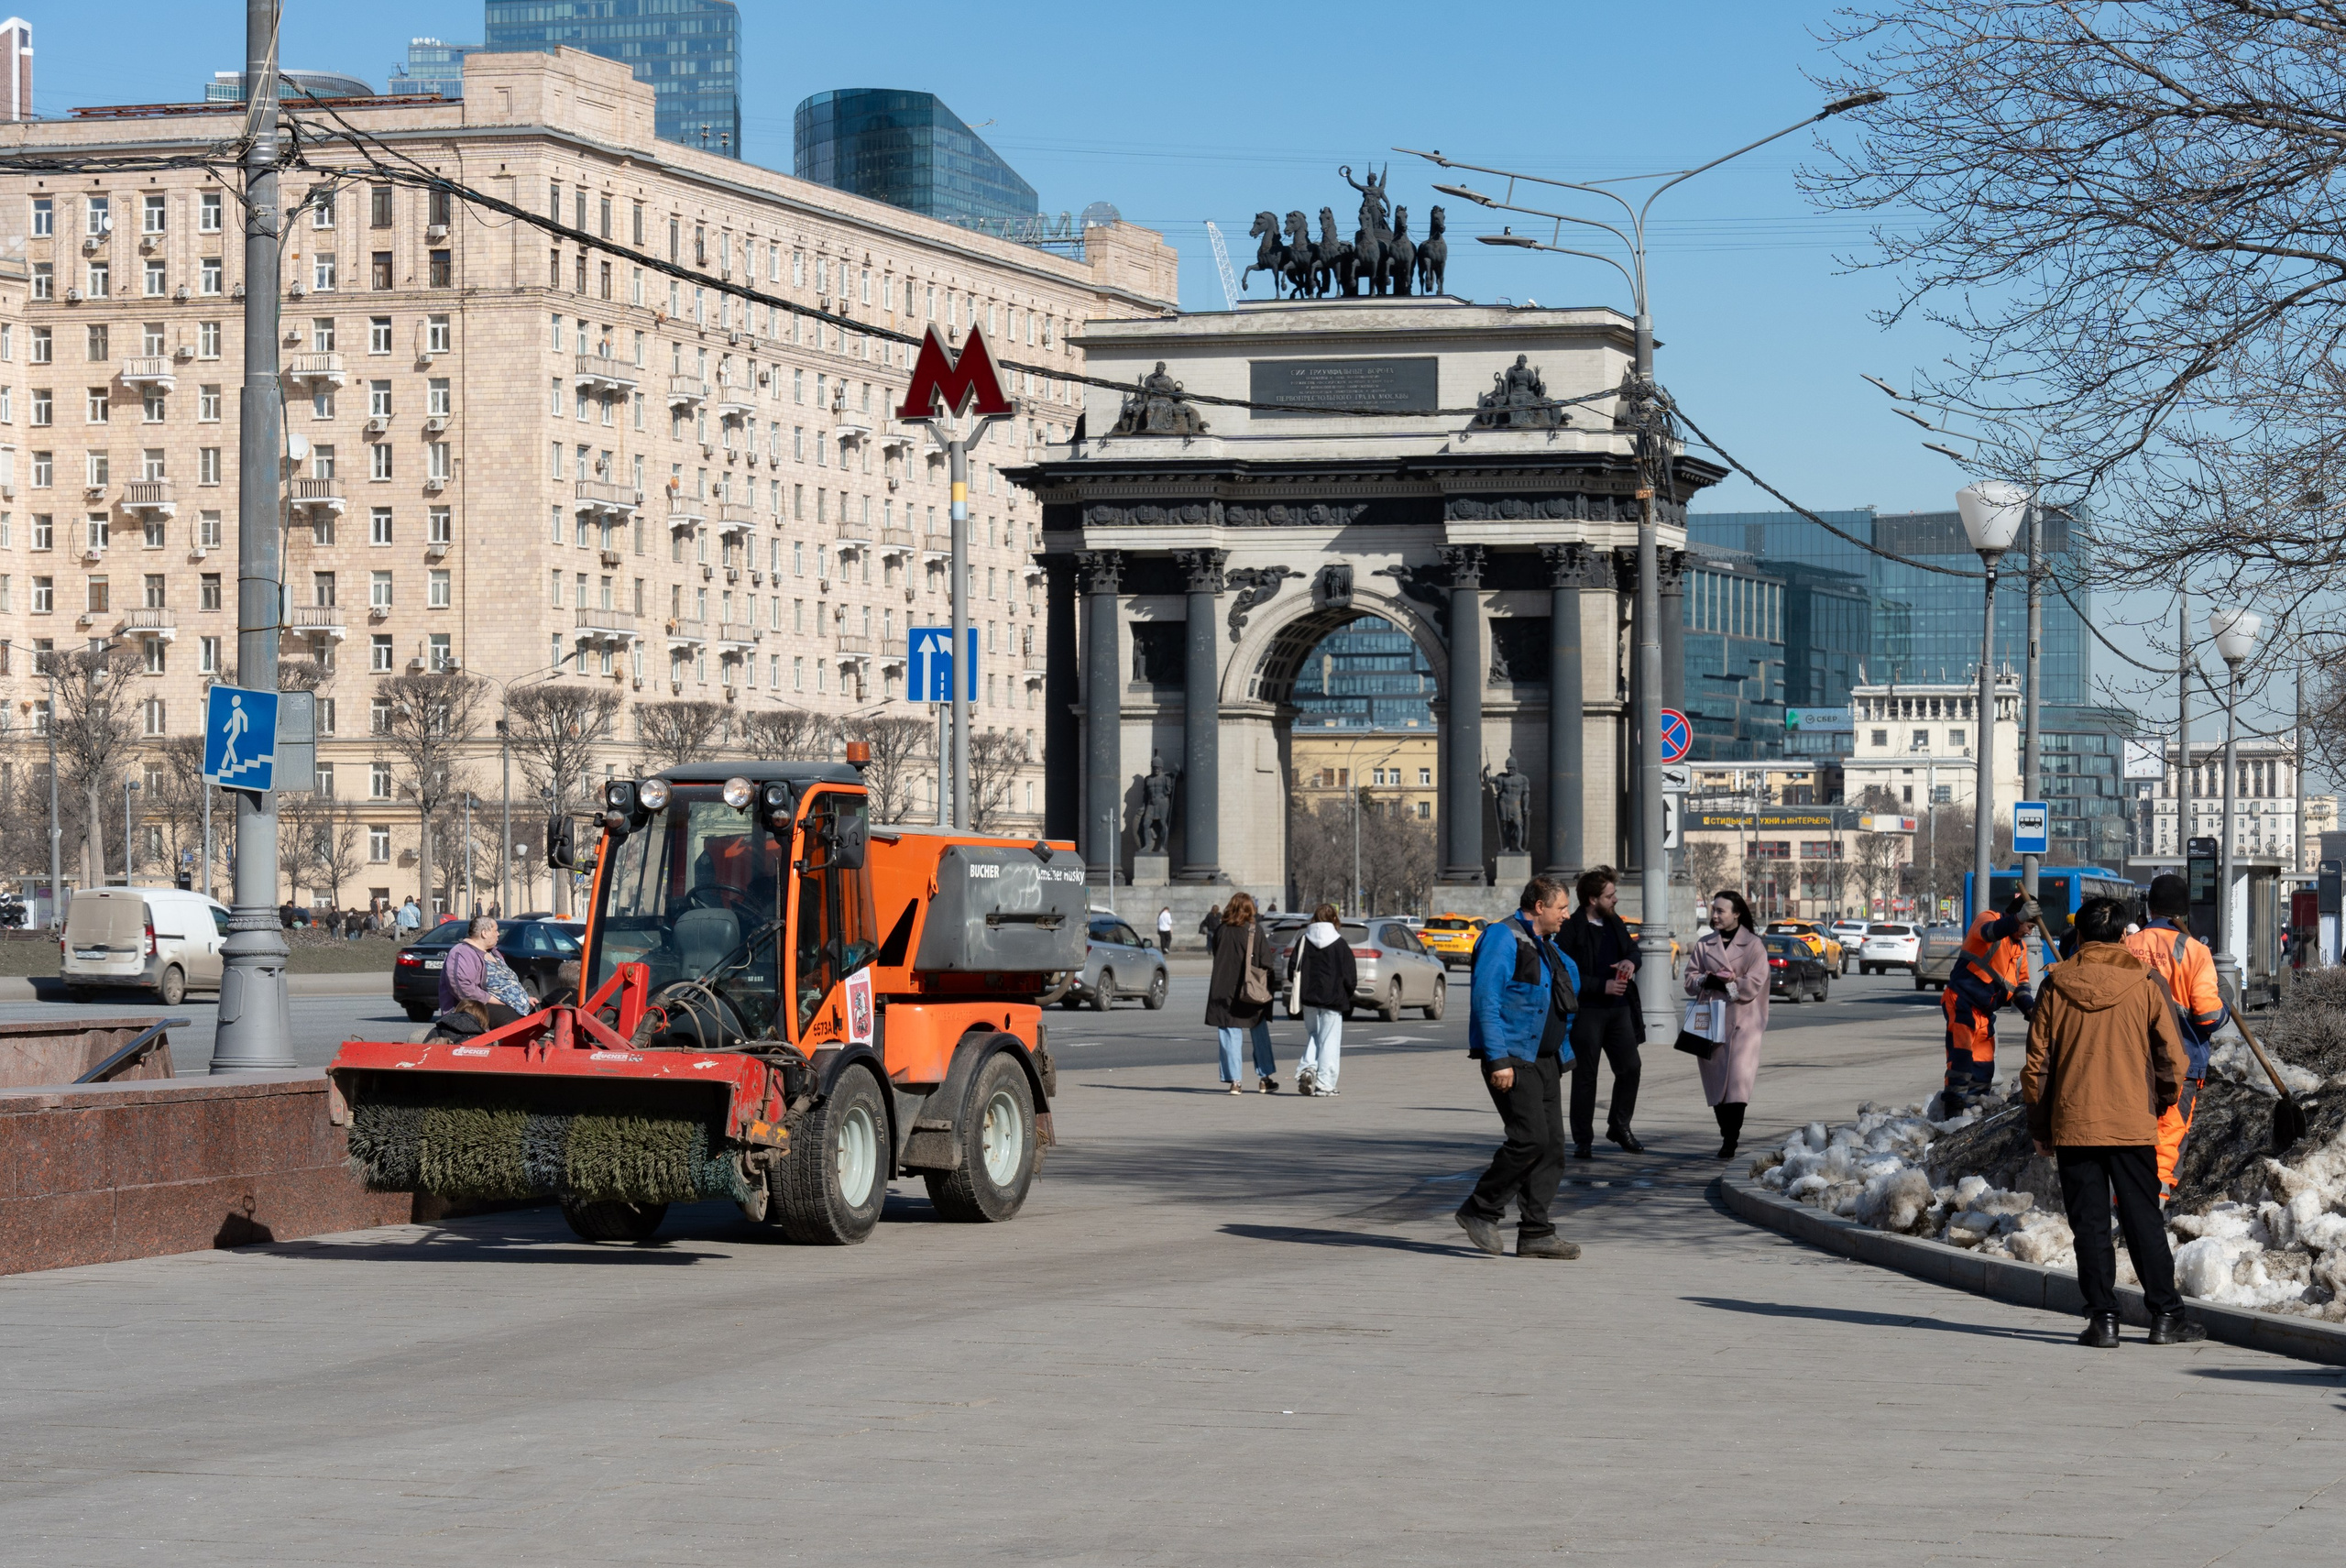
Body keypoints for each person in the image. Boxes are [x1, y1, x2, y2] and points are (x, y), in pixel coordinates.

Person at [2023, 896, 2205, 1347]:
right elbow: (2172, 1056)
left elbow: (2037, 1068)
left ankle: (2102, 1320)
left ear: (2079, 936)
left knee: (2089, 1225)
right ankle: (2166, 1315)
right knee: (2143, 1217)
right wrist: (2164, 1102)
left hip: (2074, 1123)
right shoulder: (2147, 982)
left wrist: (2042, 1129)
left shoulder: (2054, 985)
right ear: (2125, 936)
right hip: (2131, 1121)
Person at [1455, 876, 1582, 1260]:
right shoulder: (1502, 938)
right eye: (1561, 907)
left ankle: (1536, 1233)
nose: (1567, 914)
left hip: (1545, 1060)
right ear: (1539, 906)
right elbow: (1486, 1000)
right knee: (1530, 1139)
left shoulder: (1546, 946)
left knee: (1553, 1148)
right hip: (1513, 1058)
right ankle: (1480, 1209)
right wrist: (1498, 1059)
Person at [2123, 873, 2229, 1200]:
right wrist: (2226, 1001)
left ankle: (2125, 1205)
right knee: (2167, 1140)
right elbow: (2209, 1016)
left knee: (2130, 1137)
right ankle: (2152, 1209)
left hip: (2128, 1059)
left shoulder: (2126, 946)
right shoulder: (2195, 952)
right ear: (2184, 912)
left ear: (2150, 907)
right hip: (2180, 1063)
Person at [1552, 865, 1645, 1157]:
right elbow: (1563, 973)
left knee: (1631, 1068)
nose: (1615, 899)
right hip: (1587, 1013)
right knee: (1586, 1077)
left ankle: (1619, 1125)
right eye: (1610, 895)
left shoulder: (1613, 921)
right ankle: (1583, 1140)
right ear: (1593, 899)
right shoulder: (1571, 928)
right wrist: (1599, 986)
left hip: (1619, 1011)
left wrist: (1631, 963)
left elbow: (1633, 951)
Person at [1684, 890, 1770, 1159]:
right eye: (1714, 910)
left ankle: (1731, 1138)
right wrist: (1704, 980)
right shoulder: (1705, 944)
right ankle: (1726, 1131)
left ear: (1737, 914)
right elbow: (1689, 979)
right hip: (1710, 1020)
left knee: (1737, 1082)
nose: (1715, 915)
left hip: (1744, 1022)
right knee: (1716, 1082)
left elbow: (1755, 983)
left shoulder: (1754, 945)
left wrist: (1729, 982)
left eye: (1721, 911)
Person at [1940, 890, 2042, 1113]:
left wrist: (2032, 1010)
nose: (2028, 932)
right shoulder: (1988, 919)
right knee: (1962, 1060)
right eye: (2029, 926)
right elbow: (1988, 933)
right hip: (1962, 1000)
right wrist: (2017, 919)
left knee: (1984, 1067)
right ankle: (1953, 1112)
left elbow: (2021, 986)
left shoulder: (2020, 950)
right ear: (2019, 917)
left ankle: (1973, 1111)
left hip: (1985, 1013)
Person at [1204, 891, 1277, 1093]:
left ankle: (1235, 1082)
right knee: (1259, 1031)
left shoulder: (1221, 930)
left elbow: (1217, 955)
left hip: (1224, 988)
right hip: (1250, 989)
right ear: (1249, 910)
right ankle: (1265, 1078)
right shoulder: (1254, 931)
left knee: (1229, 1032)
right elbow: (1265, 962)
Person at [1292, 902, 1357, 1096]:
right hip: (1333, 1000)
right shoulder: (1340, 944)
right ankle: (1324, 1084)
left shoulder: (1304, 940)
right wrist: (1347, 993)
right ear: (1334, 919)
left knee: (1314, 1035)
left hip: (1309, 999)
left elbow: (1292, 969)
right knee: (1329, 1040)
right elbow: (1350, 977)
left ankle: (1307, 1068)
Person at [439, 916, 524, 1030]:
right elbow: (462, 988)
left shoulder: (494, 953)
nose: (498, 934)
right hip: (476, 1009)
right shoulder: (462, 953)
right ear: (484, 933)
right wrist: (498, 1001)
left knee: (543, 1013)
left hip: (507, 1005)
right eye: (495, 930)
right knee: (517, 1024)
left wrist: (524, 998)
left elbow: (507, 980)